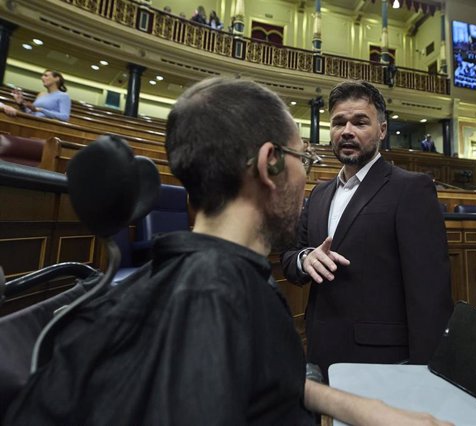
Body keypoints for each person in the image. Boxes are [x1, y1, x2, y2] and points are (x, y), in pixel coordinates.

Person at [5, 78, 451, 426]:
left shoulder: (191, 277)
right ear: (269, 164)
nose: (308, 171)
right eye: (304, 158)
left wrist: (345, 403)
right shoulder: (216, 300)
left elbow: (250, 372)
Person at [281, 80, 452, 378]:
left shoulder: (411, 188)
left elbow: (430, 294)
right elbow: (290, 256)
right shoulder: (319, 193)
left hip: (385, 361)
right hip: (321, 351)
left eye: (360, 122)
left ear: (382, 130)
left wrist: (427, 373)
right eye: (338, 122)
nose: (347, 130)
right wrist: (305, 258)